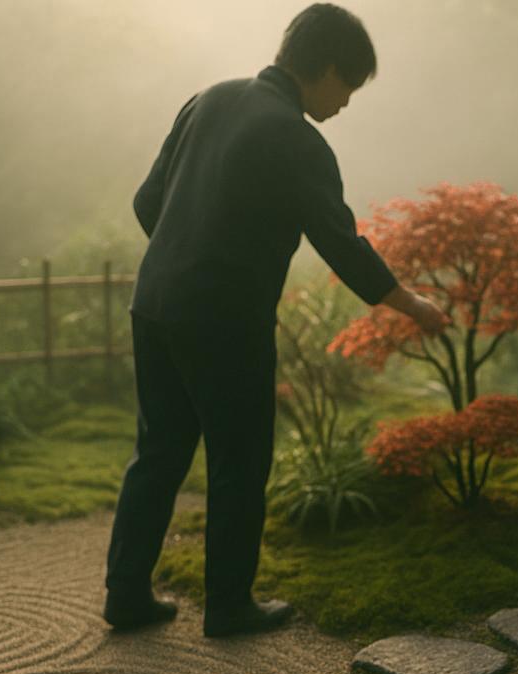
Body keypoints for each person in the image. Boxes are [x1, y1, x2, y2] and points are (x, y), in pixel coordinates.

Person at [102, 3, 445, 637]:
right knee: (239, 459)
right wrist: (412, 303)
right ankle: (229, 606)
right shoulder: (297, 139)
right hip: (225, 322)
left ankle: (124, 595)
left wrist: (188, 256)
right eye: (348, 87)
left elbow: (148, 202)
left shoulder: (208, 99)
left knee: (158, 451)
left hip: (154, 304)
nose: (346, 102)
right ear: (328, 69)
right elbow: (341, 244)